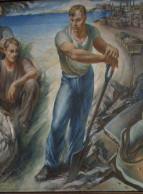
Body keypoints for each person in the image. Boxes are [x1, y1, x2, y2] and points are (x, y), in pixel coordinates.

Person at [36, 4, 119, 182]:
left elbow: (101, 45)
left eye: (78, 19)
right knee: (58, 123)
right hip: (69, 81)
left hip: (86, 80)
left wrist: (111, 51)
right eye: (72, 19)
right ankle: (50, 165)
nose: (74, 23)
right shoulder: (62, 36)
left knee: (79, 124)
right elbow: (75, 55)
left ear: (85, 18)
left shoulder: (91, 31)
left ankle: (72, 161)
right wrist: (103, 58)